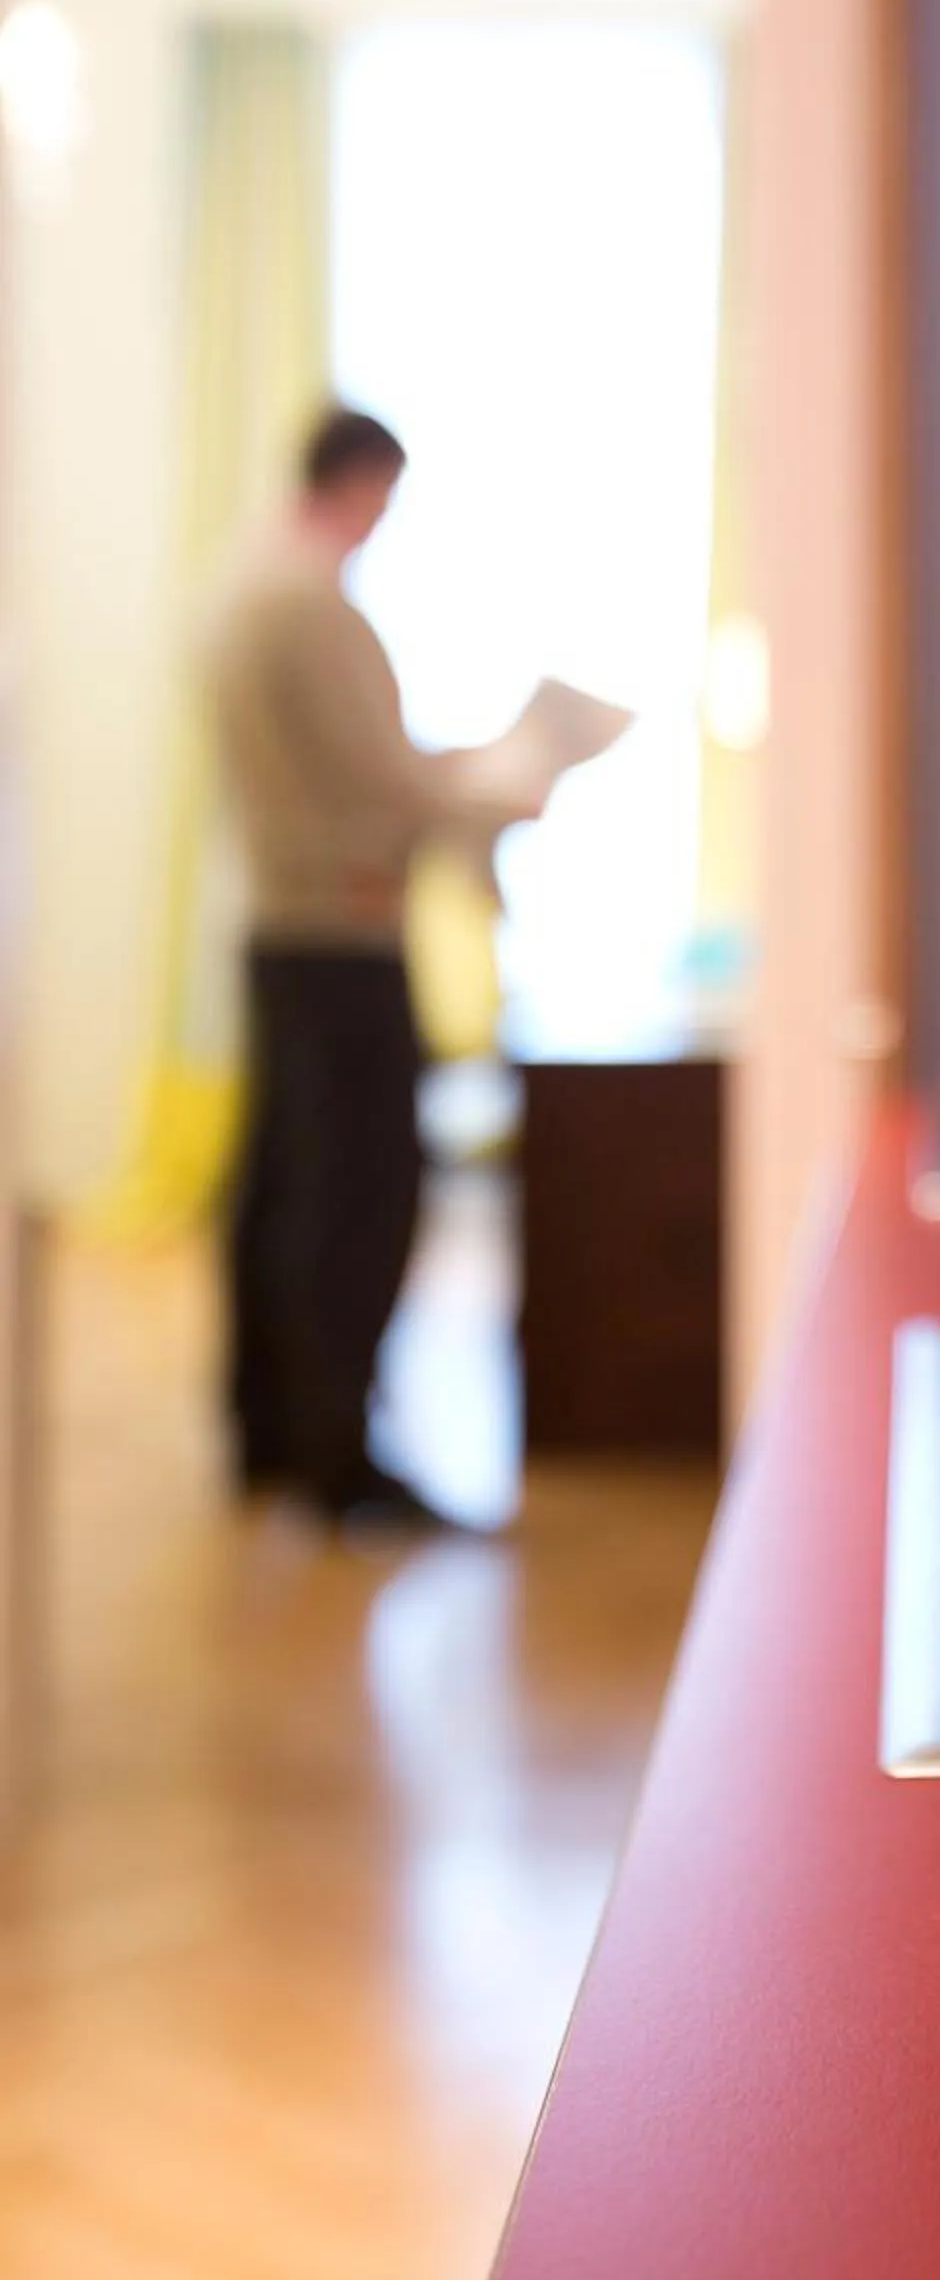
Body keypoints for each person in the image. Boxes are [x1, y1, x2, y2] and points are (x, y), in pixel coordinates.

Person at [210, 404, 543, 1531]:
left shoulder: (237, 591)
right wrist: (504, 793)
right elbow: (385, 788)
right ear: (357, 481)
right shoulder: (309, 609)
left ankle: (268, 1431)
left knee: (278, 1189)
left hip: (276, 924)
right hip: (342, 936)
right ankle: (336, 1456)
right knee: (353, 1197)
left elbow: (345, 772)